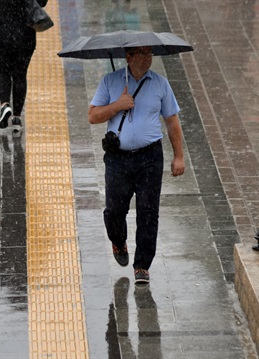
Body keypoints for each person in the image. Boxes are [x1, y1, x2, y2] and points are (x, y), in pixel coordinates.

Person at [88, 46, 185, 284]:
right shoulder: (110, 81)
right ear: (129, 57)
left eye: (150, 53)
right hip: (117, 158)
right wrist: (117, 105)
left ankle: (142, 265)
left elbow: (172, 122)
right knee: (114, 211)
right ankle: (118, 241)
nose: (148, 57)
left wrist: (179, 156)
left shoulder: (161, 84)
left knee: (148, 212)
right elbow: (93, 116)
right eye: (142, 53)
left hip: (150, 157)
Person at [0, 0, 48, 130]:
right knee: (20, 75)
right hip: (25, 33)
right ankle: (17, 117)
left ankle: (5, 105)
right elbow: (42, 2)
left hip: (1, 32)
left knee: (2, 71)